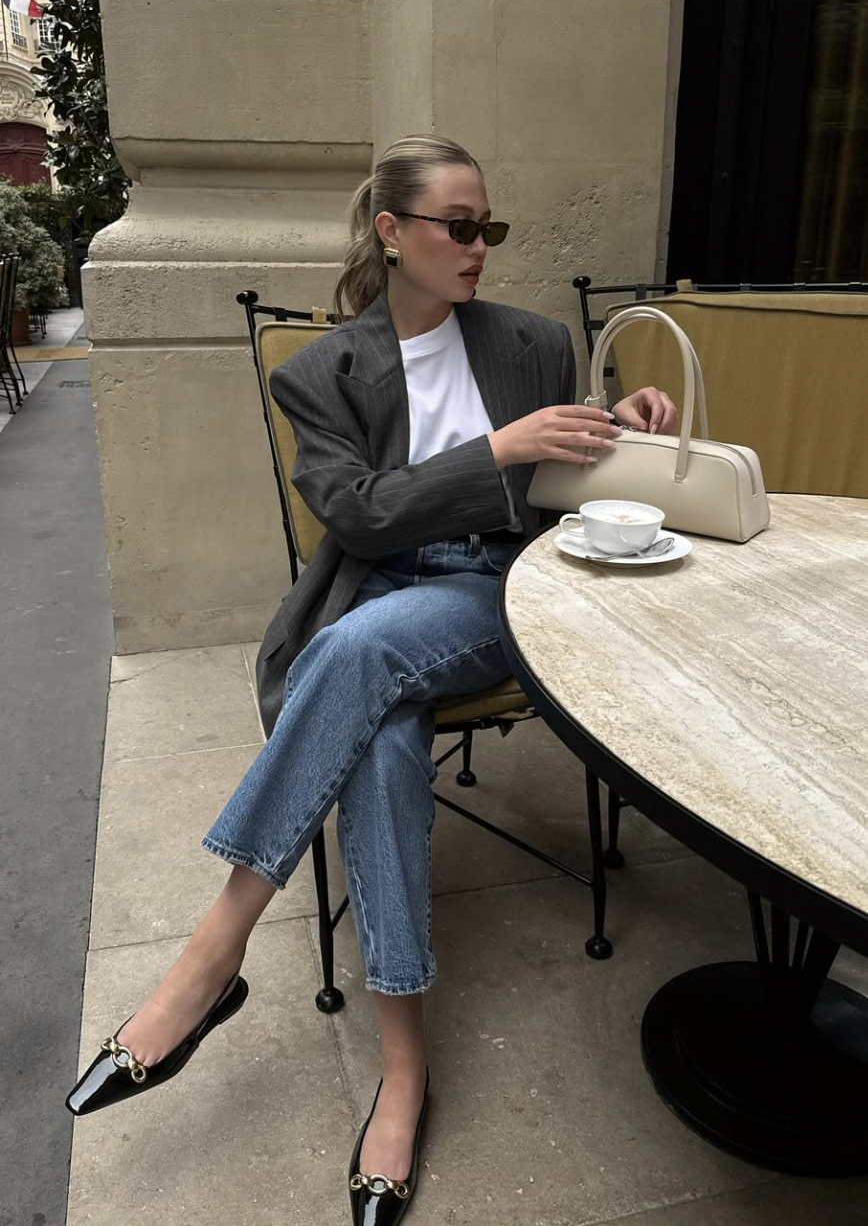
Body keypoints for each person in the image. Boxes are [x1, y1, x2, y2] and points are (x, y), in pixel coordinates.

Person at [66, 135, 677, 1223]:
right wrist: (494, 447)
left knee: (352, 658)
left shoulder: (534, 343)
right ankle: (404, 1068)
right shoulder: (322, 371)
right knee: (381, 726)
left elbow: (560, 480)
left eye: (488, 225)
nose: (478, 245)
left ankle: (210, 955)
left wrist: (615, 425)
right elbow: (357, 515)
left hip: (501, 590)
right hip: (383, 593)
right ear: (392, 233)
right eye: (457, 224)